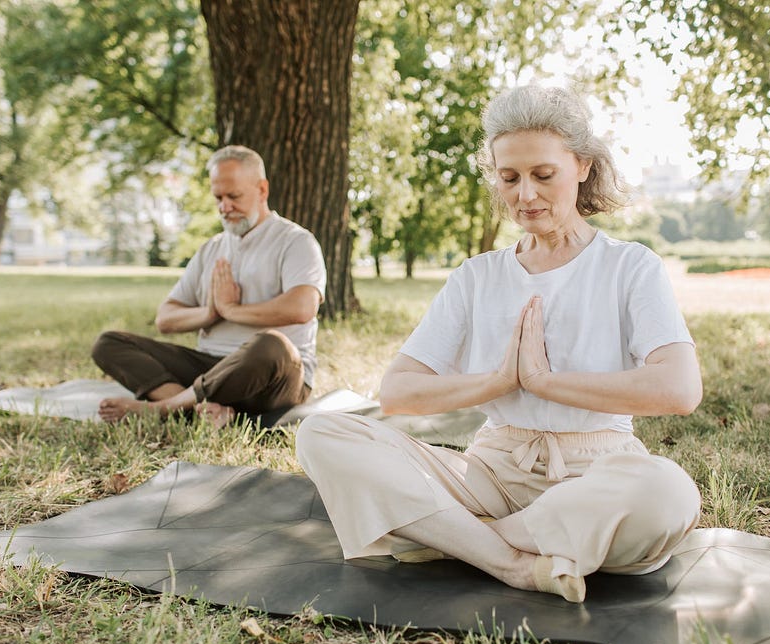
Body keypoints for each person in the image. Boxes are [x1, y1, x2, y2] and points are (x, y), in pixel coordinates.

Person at [295, 85, 702, 603]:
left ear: (580, 165)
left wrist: (544, 383)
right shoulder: (477, 276)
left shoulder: (630, 266)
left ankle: (453, 539)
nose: (525, 195)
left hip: (597, 470)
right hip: (490, 471)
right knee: (322, 434)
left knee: (666, 495)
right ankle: (511, 561)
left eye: (543, 175)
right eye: (509, 178)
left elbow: (680, 389)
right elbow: (398, 392)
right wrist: (498, 381)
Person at [92, 145, 326, 428]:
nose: (224, 207)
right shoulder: (211, 249)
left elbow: (302, 308)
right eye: (218, 197)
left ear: (262, 190)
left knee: (272, 344)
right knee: (109, 343)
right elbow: (165, 318)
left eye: (234, 196)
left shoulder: (296, 241)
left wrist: (231, 309)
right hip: (210, 367)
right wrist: (210, 313)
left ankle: (165, 408)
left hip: (272, 377)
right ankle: (200, 411)